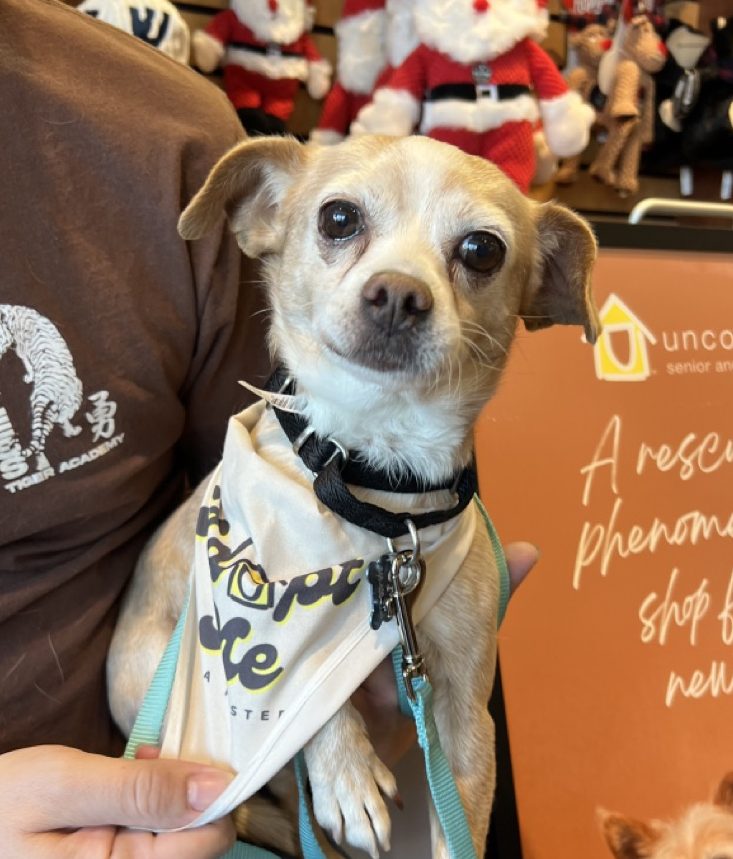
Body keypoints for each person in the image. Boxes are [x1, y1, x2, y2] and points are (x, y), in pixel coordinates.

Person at [0, 2, 538, 856]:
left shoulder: (159, 125)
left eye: (474, 252)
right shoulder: (259, 486)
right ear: (262, 216)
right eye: (340, 222)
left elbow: (455, 736)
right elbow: (231, 625)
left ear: (533, 290)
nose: (398, 287)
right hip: (166, 765)